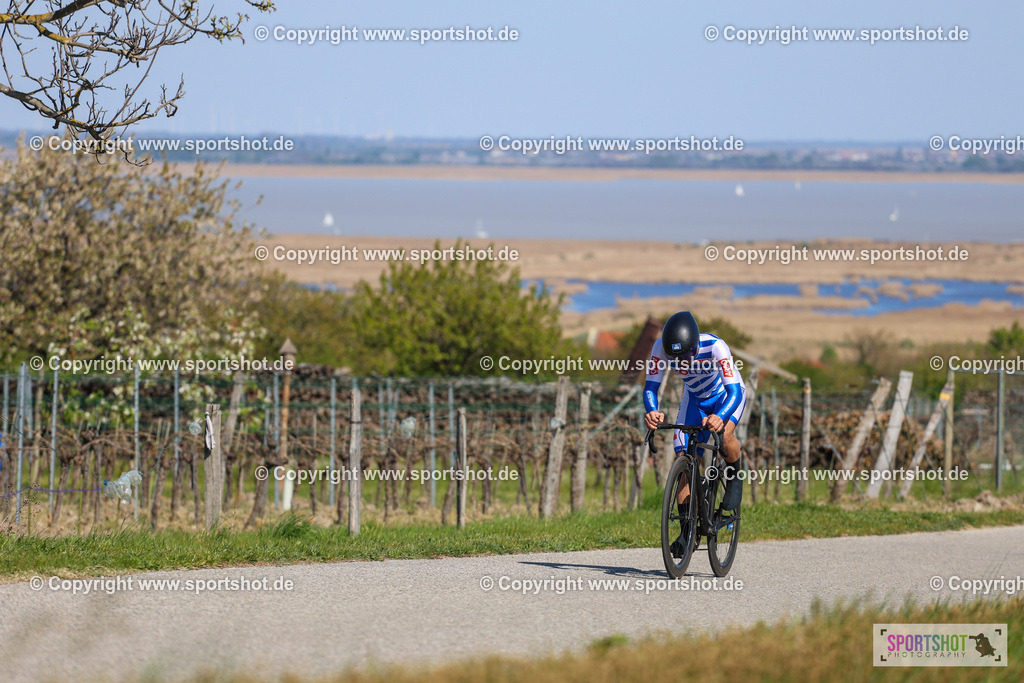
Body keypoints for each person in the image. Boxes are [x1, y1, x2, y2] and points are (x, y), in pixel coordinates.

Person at [642, 311, 746, 557]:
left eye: (688, 354)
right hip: (695, 398)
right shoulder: (660, 347)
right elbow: (651, 387)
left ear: (697, 345)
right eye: (676, 358)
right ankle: (687, 532)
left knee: (725, 438)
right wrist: (652, 411)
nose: (683, 362)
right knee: (683, 454)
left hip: (726, 396)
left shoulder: (715, 347)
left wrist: (721, 416)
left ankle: (734, 474)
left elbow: (735, 392)